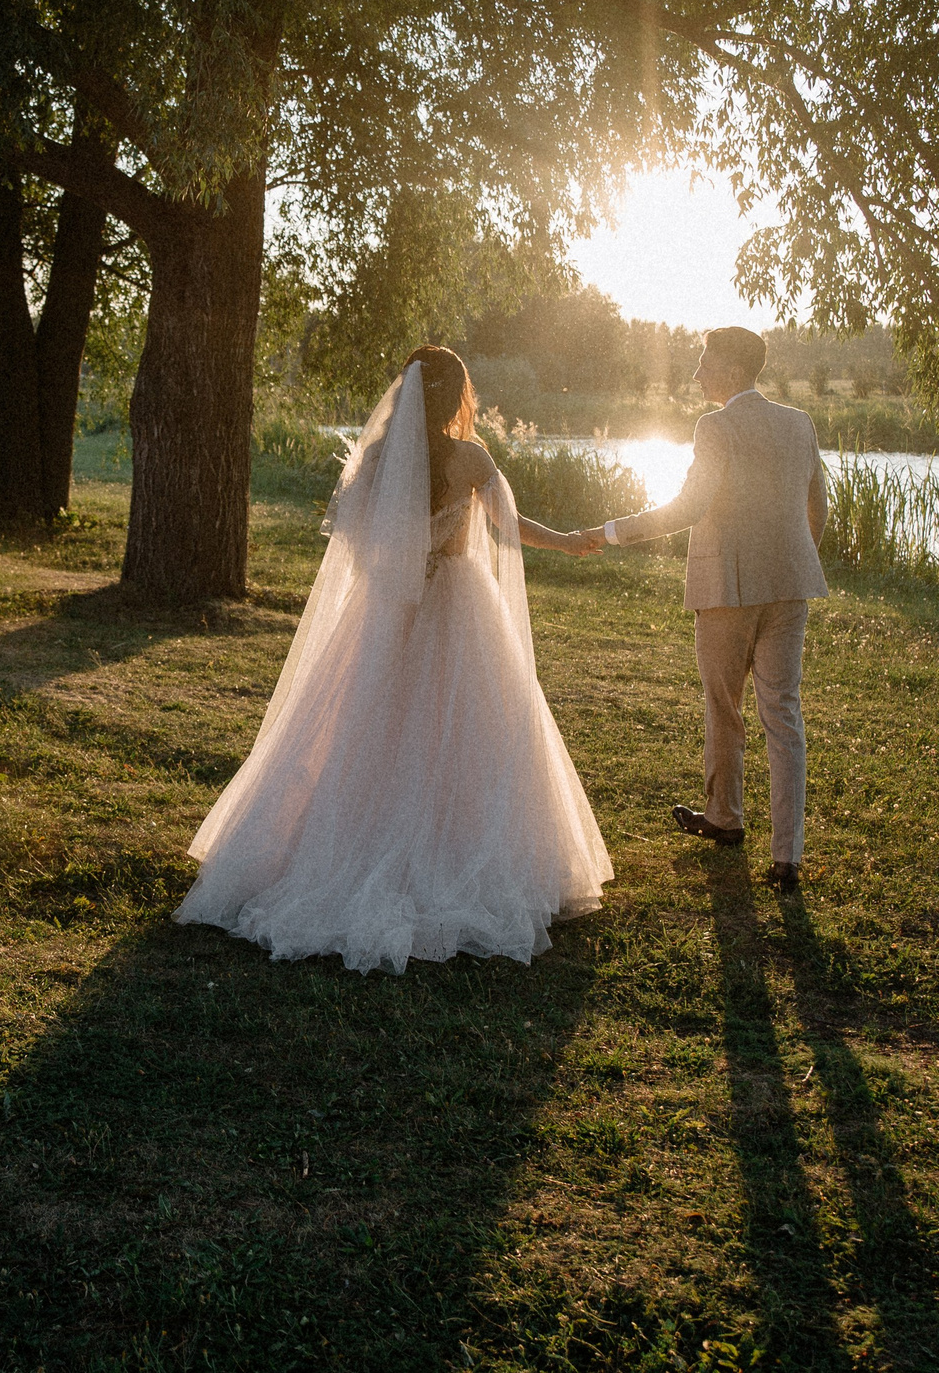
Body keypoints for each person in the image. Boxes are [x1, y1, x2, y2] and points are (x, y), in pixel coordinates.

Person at [175, 347, 612, 974]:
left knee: (369, 728)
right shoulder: (470, 457)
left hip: (388, 610)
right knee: (468, 730)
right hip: (458, 603)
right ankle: (458, 854)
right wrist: (569, 541)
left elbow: (354, 535)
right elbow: (508, 525)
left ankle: (336, 848)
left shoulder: (378, 457)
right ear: (456, 395)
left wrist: (400, 570)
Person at [588, 326, 828, 890]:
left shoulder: (715, 427)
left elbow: (690, 506)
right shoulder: (800, 424)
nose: (696, 373)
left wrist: (613, 531)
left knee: (725, 706)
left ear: (732, 368)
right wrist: (793, 563)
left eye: (704, 361)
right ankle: (785, 856)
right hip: (791, 587)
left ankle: (725, 820)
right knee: (783, 714)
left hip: (728, 587)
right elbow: (817, 503)